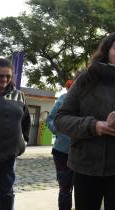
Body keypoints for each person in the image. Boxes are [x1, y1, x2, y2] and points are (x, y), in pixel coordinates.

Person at [54, 32, 115, 210]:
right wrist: (94, 126)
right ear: (106, 50)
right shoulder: (83, 81)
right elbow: (61, 119)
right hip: (85, 166)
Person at [0, 58, 31, 210]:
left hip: (7, 155)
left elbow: (26, 120)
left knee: (6, 193)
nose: (4, 79)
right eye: (0, 76)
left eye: (8, 76)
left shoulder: (18, 95)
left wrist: (24, 142)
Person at [46, 79, 74, 210]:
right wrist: (57, 131)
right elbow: (50, 119)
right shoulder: (63, 98)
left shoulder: (91, 99)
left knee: (83, 190)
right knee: (64, 189)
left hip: (83, 152)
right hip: (62, 151)